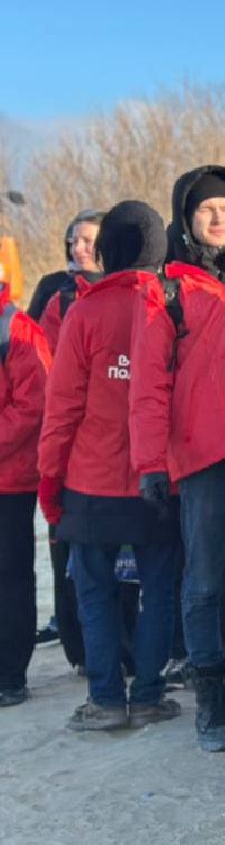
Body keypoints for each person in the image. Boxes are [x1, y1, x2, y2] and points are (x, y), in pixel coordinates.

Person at [128, 165, 225, 752]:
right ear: (186, 218)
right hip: (204, 461)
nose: (218, 218)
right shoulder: (166, 290)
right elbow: (147, 385)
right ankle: (212, 701)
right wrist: (150, 462)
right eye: (206, 208)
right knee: (206, 584)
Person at [37, 201, 182, 732]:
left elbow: (63, 409)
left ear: (107, 250)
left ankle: (104, 698)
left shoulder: (85, 312)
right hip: (161, 480)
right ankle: (147, 693)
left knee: (94, 593)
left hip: (90, 482)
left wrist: (49, 483)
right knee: (158, 591)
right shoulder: (175, 307)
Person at [29, 208, 104, 662]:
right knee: (66, 548)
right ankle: (74, 636)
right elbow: (40, 361)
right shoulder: (56, 292)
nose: (79, 249)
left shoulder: (136, 288)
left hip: (114, 438)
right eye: (73, 240)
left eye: (89, 240)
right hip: (67, 433)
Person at [0, 261, 51, 707]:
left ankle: (9, 673)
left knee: (10, 576)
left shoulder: (18, 330)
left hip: (9, 481)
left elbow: (30, 407)